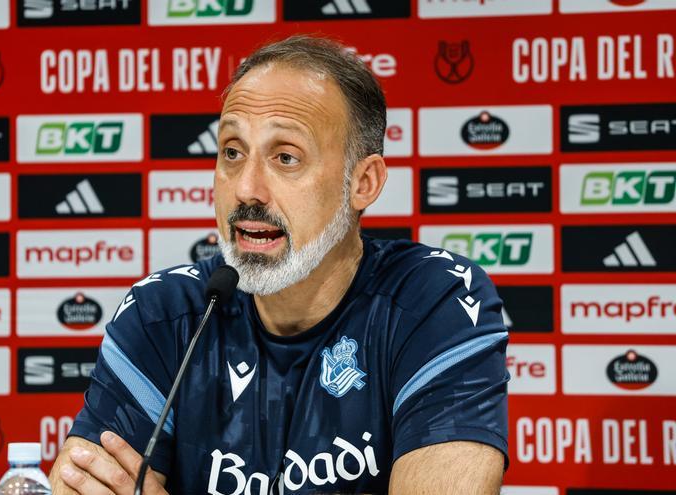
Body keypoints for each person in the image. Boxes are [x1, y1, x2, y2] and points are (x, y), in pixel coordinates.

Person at [49, 35, 509, 494]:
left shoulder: (434, 301)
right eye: (232, 152)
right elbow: (78, 483)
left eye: (286, 157)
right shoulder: (165, 312)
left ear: (363, 182)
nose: (246, 189)